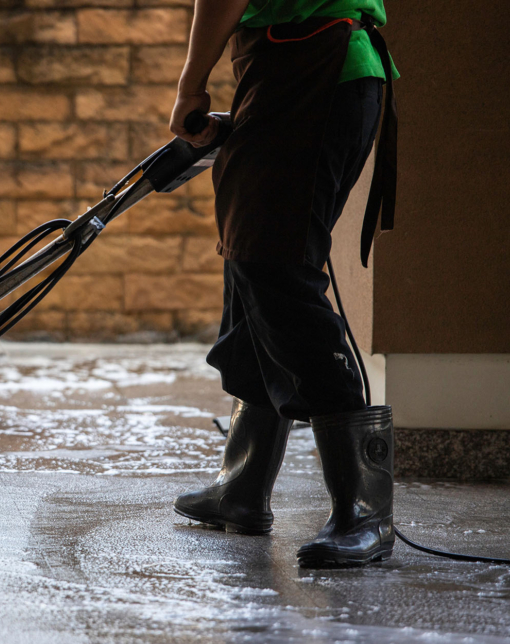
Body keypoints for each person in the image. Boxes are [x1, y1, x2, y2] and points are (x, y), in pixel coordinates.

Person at [168, 0, 398, 568]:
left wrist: (190, 86)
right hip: (290, 70)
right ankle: (242, 485)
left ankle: (364, 508)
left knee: (272, 265)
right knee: (252, 261)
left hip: (317, 67)